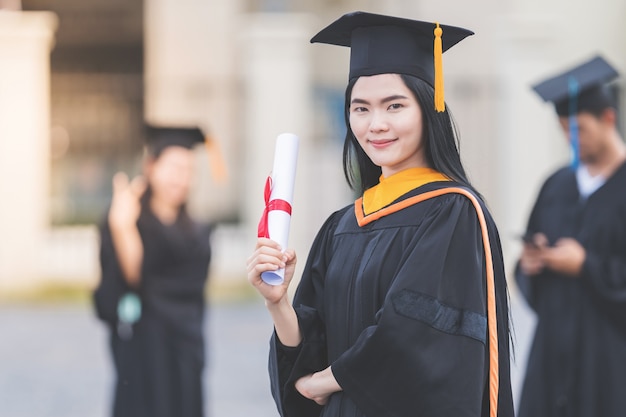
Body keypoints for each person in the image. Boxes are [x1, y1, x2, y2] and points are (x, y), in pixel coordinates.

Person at [246, 11, 514, 417]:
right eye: (361, 108)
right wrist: (278, 302)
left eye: (394, 105)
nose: (376, 125)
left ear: (429, 107)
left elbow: (414, 334)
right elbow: (313, 342)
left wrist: (327, 380)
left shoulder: (453, 212)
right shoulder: (343, 225)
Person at [516, 55, 626, 417]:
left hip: (609, 361)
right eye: (564, 128)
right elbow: (528, 264)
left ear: (608, 118)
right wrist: (530, 263)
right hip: (552, 354)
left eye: (578, 128)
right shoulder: (556, 184)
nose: (570, 138)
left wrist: (585, 265)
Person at [93, 125, 213, 417]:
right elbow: (121, 289)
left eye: (188, 169)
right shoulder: (123, 218)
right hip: (139, 360)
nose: (181, 178)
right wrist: (122, 229)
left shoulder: (197, 233)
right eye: (173, 167)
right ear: (150, 166)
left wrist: (125, 231)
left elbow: (163, 289)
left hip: (183, 359)